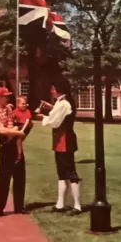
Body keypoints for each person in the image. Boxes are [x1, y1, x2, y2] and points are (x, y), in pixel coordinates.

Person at [35, 79, 82, 216]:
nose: (51, 91)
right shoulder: (61, 103)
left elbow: (54, 122)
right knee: (62, 173)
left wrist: (42, 116)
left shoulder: (63, 103)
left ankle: (77, 206)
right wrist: (49, 110)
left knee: (70, 173)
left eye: (53, 88)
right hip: (61, 141)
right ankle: (60, 203)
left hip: (65, 141)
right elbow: (56, 114)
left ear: (59, 89)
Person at [0, 87, 28, 216]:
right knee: (4, 177)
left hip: (14, 144)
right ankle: (0, 207)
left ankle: (19, 206)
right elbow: (2, 130)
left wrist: (16, 131)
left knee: (20, 176)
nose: (7, 98)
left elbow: (10, 125)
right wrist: (18, 132)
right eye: (5, 96)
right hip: (5, 146)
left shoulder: (8, 109)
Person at [12, 96, 33, 163]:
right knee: (12, 131)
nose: (24, 105)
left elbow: (27, 122)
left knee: (19, 139)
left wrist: (22, 130)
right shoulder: (16, 111)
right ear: (18, 104)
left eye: (25, 103)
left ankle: (19, 155)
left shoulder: (27, 111)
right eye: (22, 104)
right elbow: (12, 117)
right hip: (18, 125)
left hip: (25, 126)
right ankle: (6, 143)